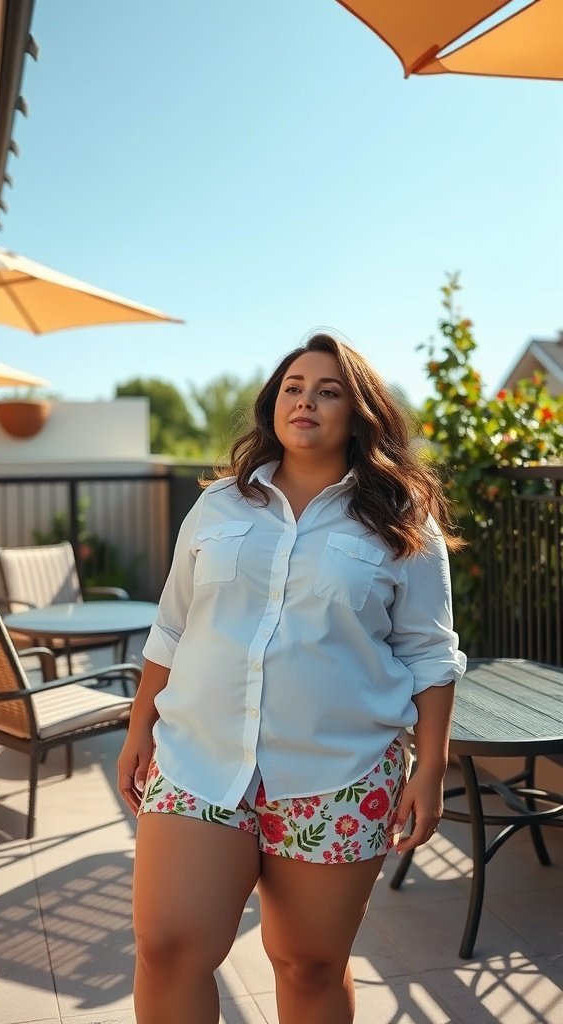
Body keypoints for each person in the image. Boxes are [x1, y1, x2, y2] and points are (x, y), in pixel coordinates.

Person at [117, 331, 466, 1024]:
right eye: (293, 388)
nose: (305, 400)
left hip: (340, 773)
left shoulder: (403, 522)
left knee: (308, 965)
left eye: (327, 390)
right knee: (166, 946)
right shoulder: (218, 505)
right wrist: (139, 727)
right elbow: (174, 626)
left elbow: (430, 653)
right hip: (198, 758)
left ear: (359, 413)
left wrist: (430, 767)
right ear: (273, 405)